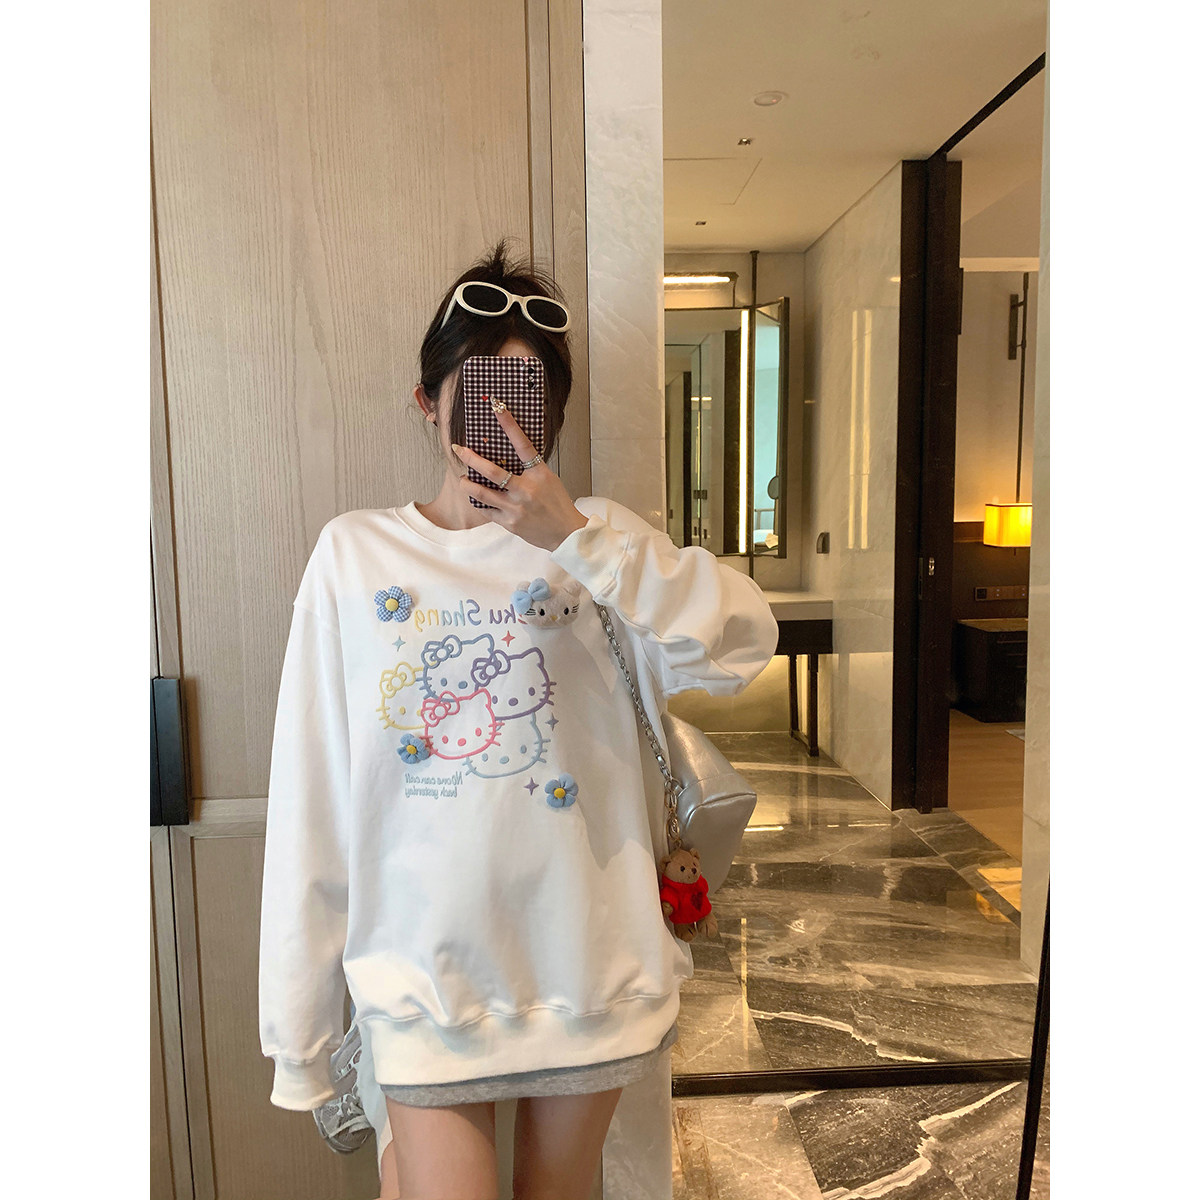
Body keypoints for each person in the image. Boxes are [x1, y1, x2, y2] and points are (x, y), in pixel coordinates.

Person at [258, 239, 779, 1200]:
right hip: (421, 984)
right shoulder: (354, 555)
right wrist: (301, 1031)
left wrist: (575, 538)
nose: (503, 421)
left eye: (527, 397)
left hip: (589, 972)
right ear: (430, 401)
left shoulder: (600, 541)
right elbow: (312, 792)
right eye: (481, 391)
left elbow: (742, 642)